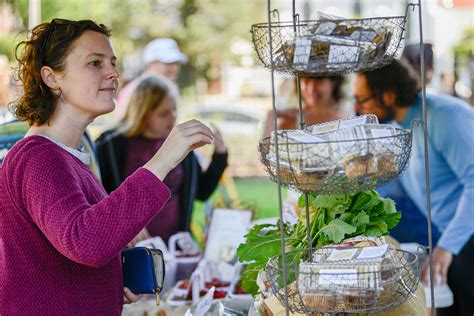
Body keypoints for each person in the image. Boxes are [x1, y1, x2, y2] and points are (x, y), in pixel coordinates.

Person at [0, 19, 214, 315]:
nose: (113, 73)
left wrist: (110, 275)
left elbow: (71, 250)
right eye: (94, 63)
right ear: (51, 77)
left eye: (112, 62)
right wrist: (163, 160)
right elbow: (83, 241)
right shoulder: (38, 157)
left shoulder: (68, 156)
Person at [353, 59, 474, 316]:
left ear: (387, 95)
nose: (358, 107)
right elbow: (391, 183)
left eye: (362, 99)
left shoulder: (442, 117)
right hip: (449, 235)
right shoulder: (399, 126)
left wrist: (447, 247)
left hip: (465, 236)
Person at [96, 75, 228, 243]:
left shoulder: (179, 141)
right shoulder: (109, 146)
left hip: (174, 247)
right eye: (164, 113)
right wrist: (122, 224)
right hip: (127, 248)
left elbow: (202, 192)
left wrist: (220, 155)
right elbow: (97, 198)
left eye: (174, 109)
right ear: (143, 113)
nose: (172, 117)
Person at [115, 38, 187, 119]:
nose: (174, 68)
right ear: (151, 62)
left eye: (176, 63)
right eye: (168, 63)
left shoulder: (165, 90)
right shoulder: (136, 90)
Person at [262, 75, 353, 138]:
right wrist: (271, 115)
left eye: (318, 80)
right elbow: (269, 156)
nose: (311, 88)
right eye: (306, 80)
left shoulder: (350, 112)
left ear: (333, 82)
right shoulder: (292, 120)